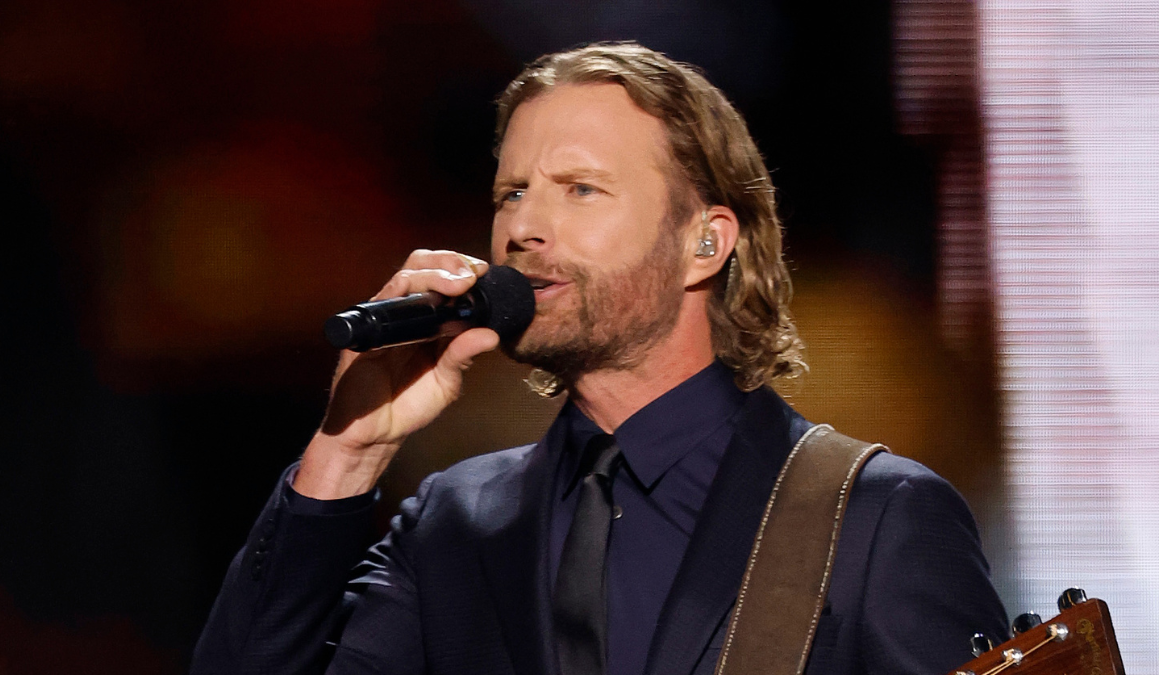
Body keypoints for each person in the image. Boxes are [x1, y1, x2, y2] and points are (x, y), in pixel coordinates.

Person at [191, 42, 1008, 675]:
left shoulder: (872, 517)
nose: (523, 228)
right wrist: (346, 453)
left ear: (703, 242)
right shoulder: (453, 522)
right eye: (512, 193)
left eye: (580, 188)